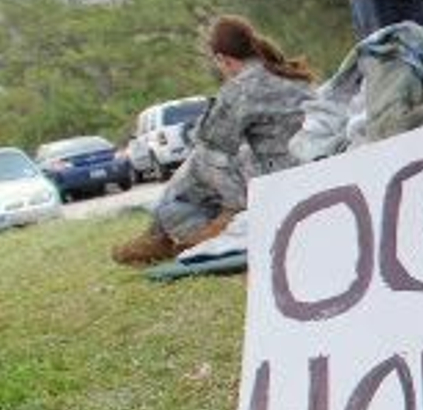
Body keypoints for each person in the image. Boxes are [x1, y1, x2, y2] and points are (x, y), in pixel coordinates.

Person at [112, 17, 316, 266]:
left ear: (223, 59)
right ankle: (161, 234)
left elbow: (212, 147)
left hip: (285, 181)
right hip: (313, 168)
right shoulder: (292, 75)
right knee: (237, 155)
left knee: (199, 162)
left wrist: (231, 203)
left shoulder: (241, 88)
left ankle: (166, 233)